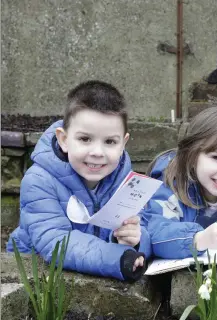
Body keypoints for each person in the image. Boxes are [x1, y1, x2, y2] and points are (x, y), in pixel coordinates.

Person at [7, 80, 151, 281]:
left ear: (123, 143)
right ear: (63, 140)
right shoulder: (38, 181)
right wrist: (118, 258)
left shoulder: (126, 181)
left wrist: (133, 240)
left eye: (110, 141)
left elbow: (143, 225)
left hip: (96, 269)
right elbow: (56, 242)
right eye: (85, 139)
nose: (97, 152)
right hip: (37, 280)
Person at [143, 104, 217, 259]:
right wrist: (197, 239)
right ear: (192, 156)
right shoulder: (171, 182)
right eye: (216, 157)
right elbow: (154, 231)